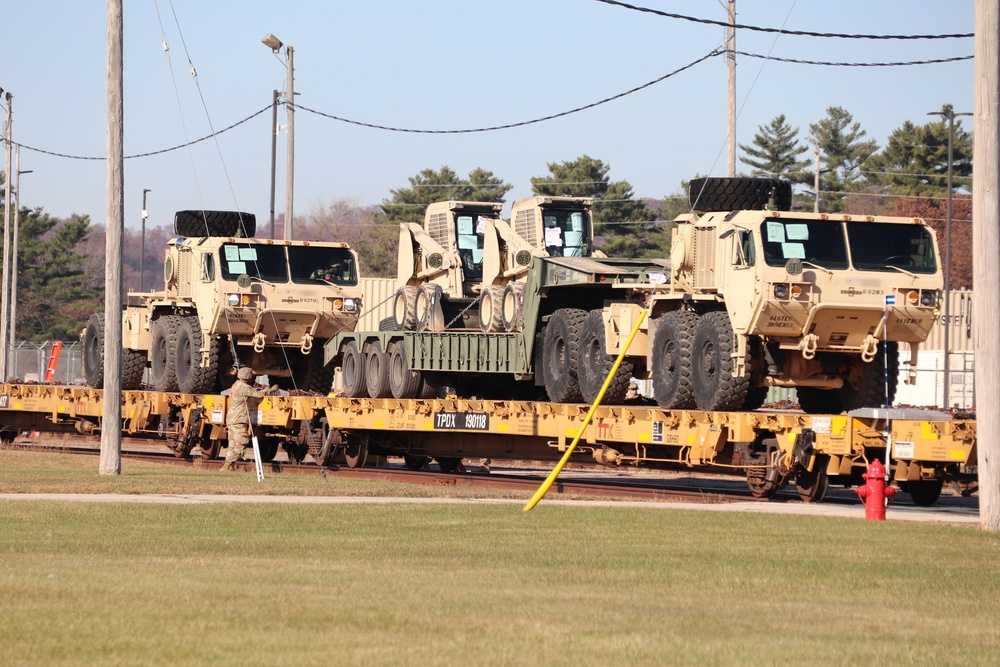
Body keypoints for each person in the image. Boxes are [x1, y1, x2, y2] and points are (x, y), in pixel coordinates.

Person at [220, 367, 276, 471]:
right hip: (239, 419)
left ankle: (229, 466)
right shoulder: (244, 387)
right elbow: (258, 394)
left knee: (232, 444)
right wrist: (270, 390)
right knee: (242, 442)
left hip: (232, 418)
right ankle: (227, 465)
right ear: (249, 377)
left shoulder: (236, 385)